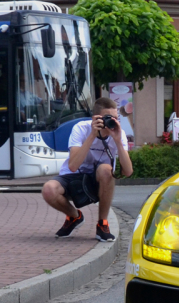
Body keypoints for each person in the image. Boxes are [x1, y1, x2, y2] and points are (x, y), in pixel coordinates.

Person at [41, 97, 132, 241]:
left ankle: (102, 224)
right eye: (108, 118)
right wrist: (92, 135)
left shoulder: (118, 134)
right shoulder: (81, 128)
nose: (112, 122)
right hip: (73, 176)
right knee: (48, 189)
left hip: (98, 178)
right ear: (95, 118)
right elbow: (73, 166)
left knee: (106, 170)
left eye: (115, 118)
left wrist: (118, 141)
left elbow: (128, 172)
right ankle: (74, 216)